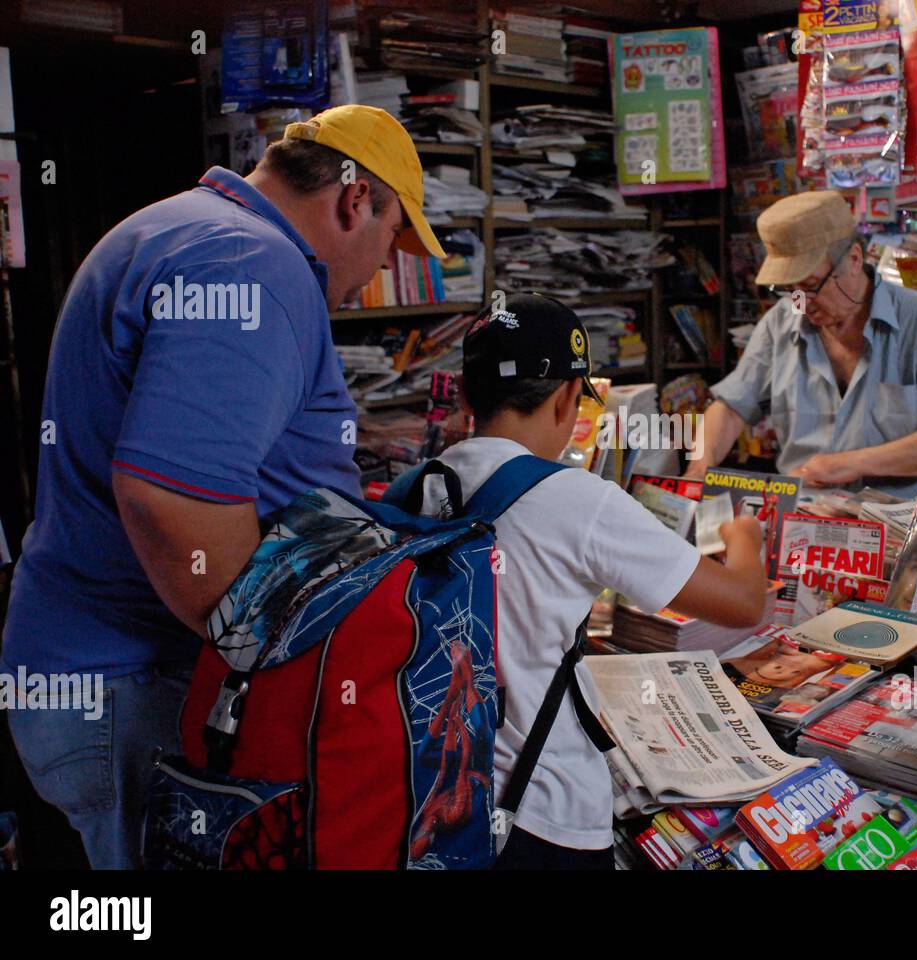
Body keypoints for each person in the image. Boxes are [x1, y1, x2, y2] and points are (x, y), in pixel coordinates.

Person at [1, 105, 443, 868]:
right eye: (394, 236)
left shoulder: (182, 229)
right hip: (136, 681)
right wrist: (273, 672)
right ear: (353, 201)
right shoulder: (250, 263)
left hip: (100, 673)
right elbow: (172, 500)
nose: (380, 266)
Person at [440, 293, 768, 870]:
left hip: (439, 800)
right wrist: (745, 538)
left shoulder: (422, 483)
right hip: (543, 811)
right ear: (570, 399)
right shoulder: (576, 498)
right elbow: (743, 604)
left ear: (465, 394)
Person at [685, 191, 917, 496]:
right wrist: (698, 469)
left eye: (811, 286)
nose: (801, 303)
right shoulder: (781, 321)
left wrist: (852, 464)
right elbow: (730, 408)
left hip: (896, 523)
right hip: (802, 518)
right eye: (790, 290)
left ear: (854, 259)